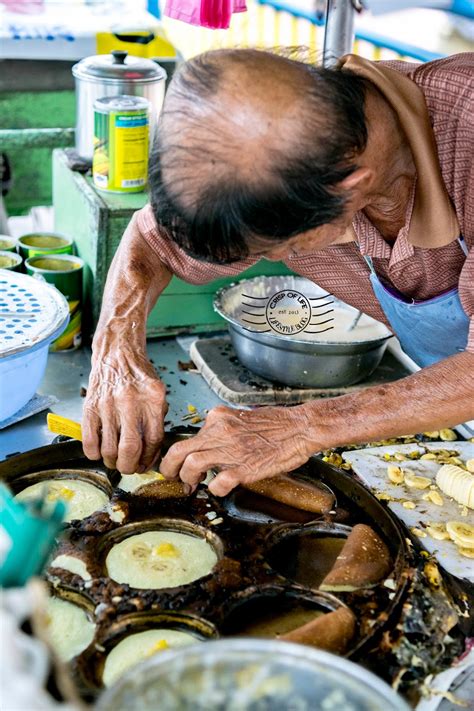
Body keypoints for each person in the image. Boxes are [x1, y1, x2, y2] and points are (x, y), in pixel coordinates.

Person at [82, 48, 474, 497]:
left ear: (350, 189)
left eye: (276, 249)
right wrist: (116, 348)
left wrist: (304, 425)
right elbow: (152, 241)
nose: (274, 255)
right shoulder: (266, 152)